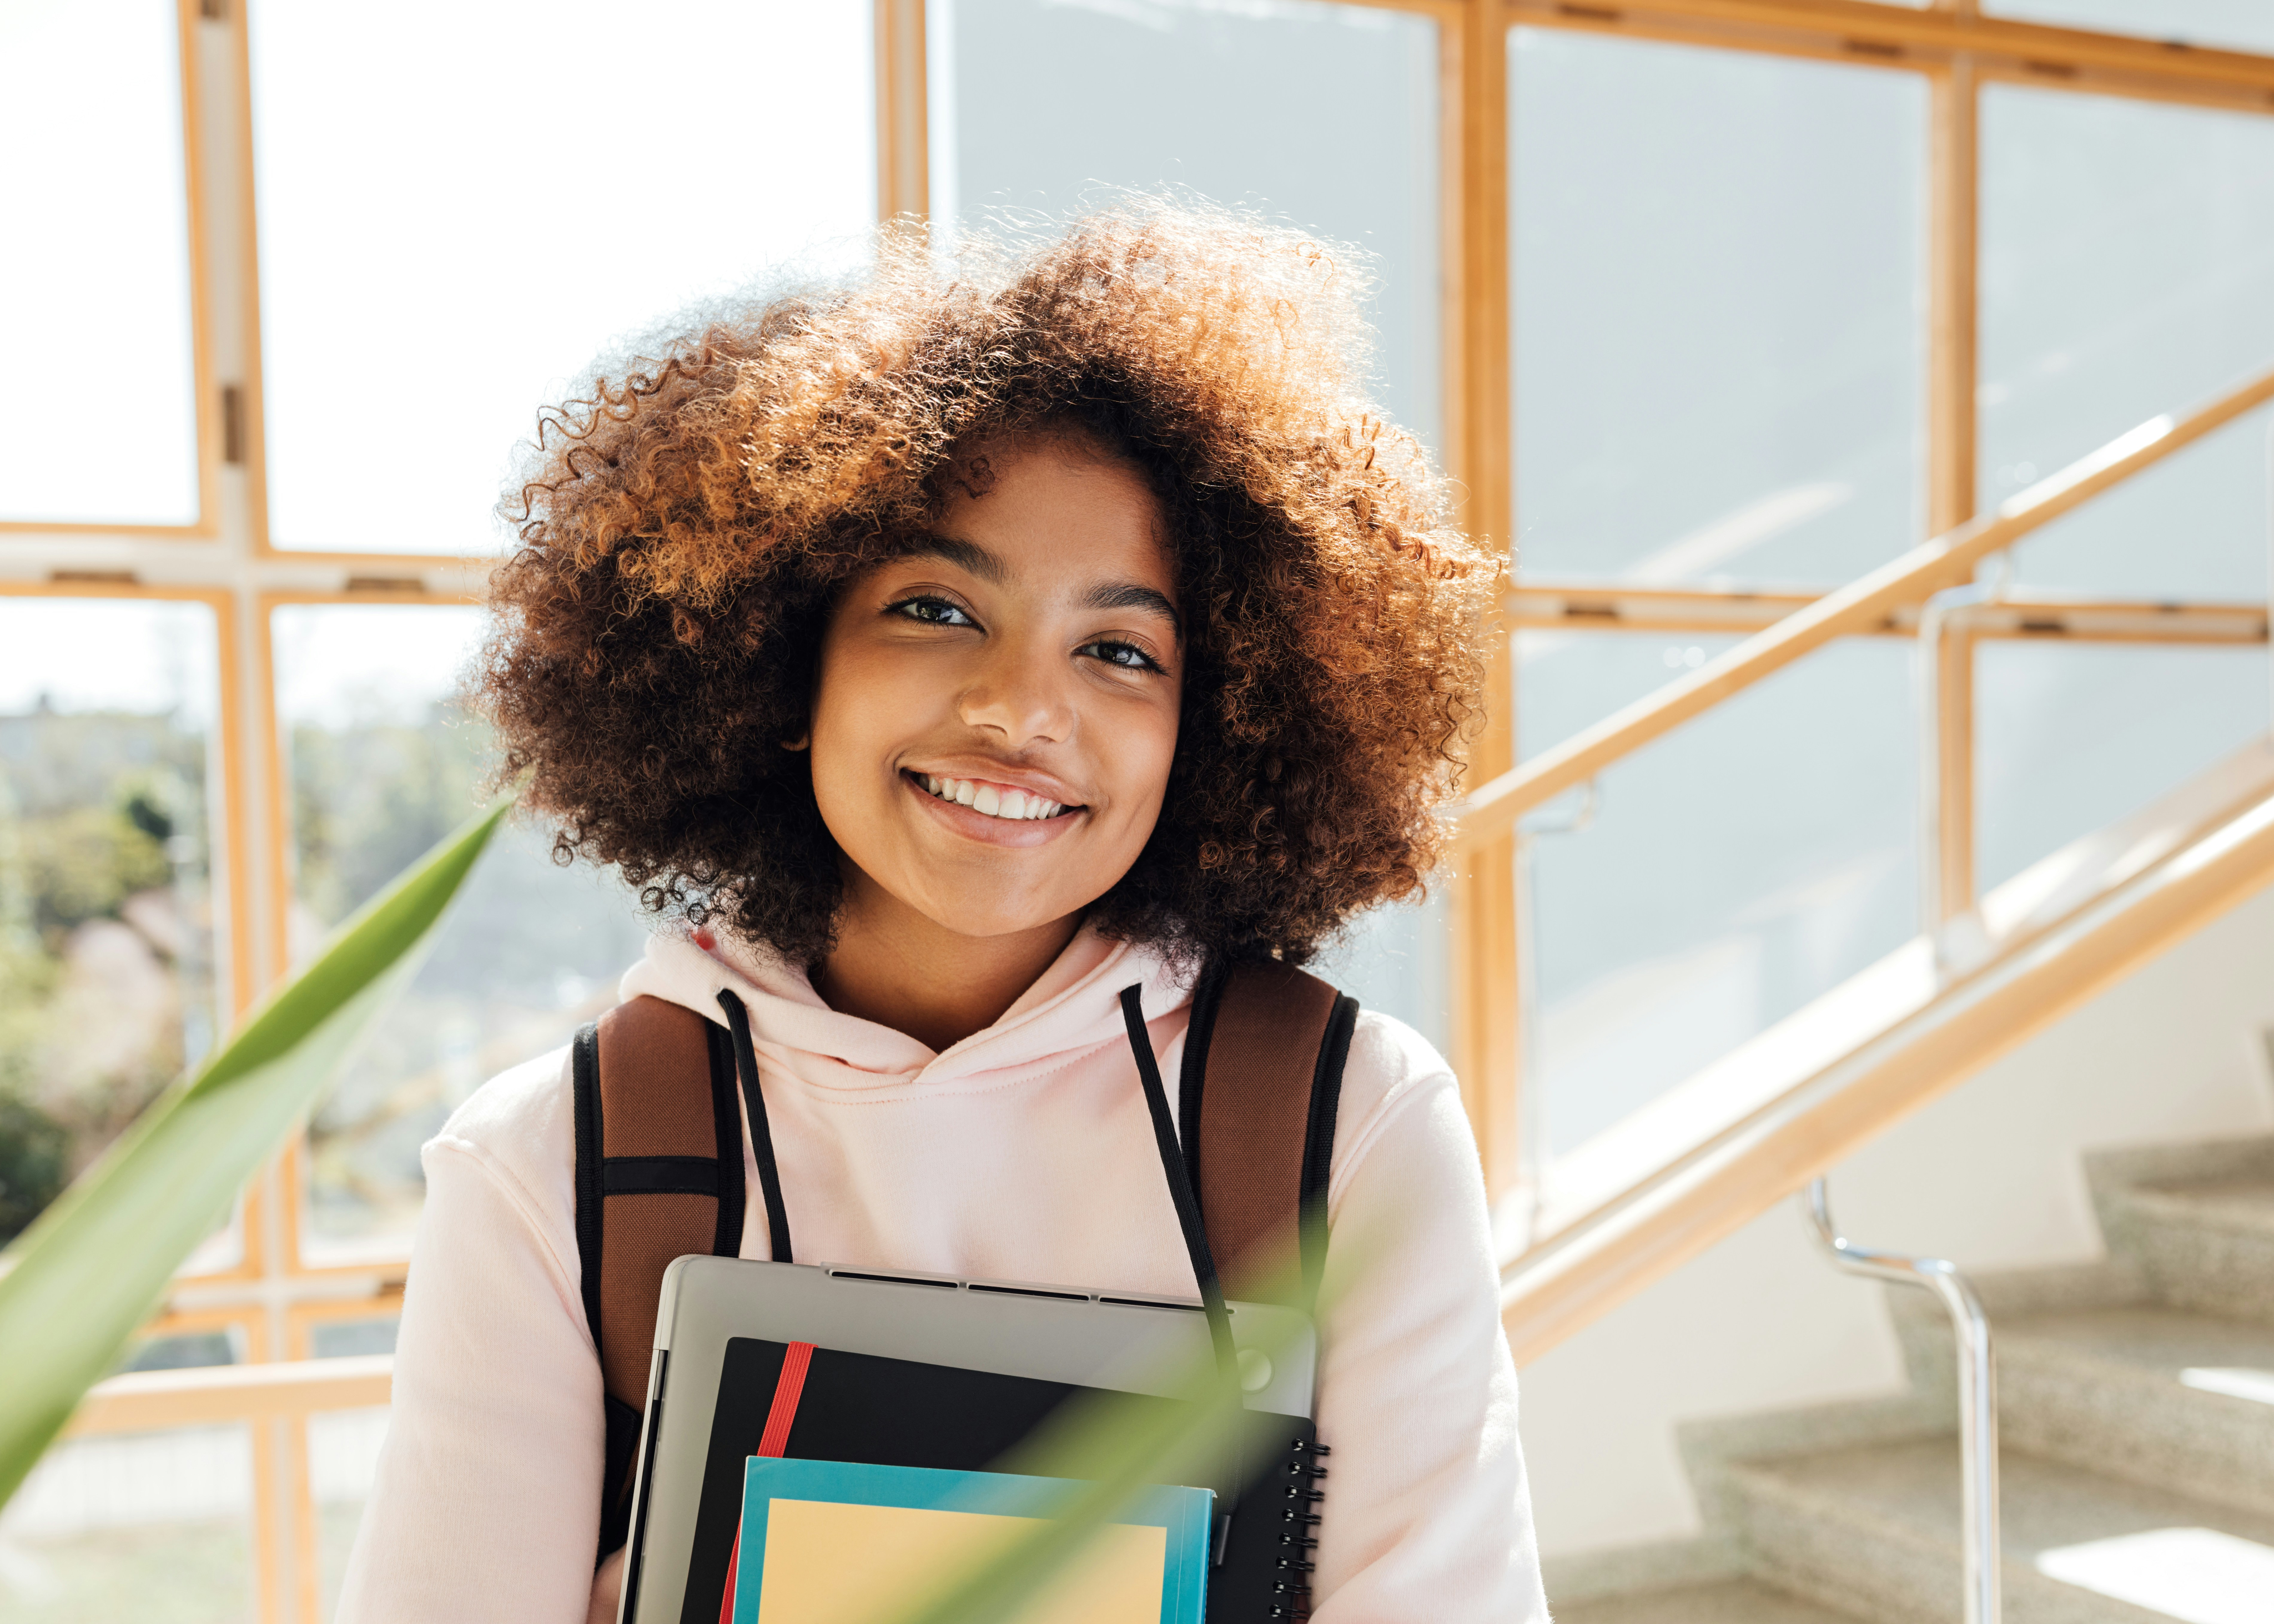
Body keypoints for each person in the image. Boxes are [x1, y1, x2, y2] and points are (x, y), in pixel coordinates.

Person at [337, 204, 1547, 1623]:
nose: (1023, 711)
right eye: (934, 608)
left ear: (1210, 727)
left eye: (1118, 648)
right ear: (785, 666)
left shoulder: (1346, 1118)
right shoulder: (552, 1162)